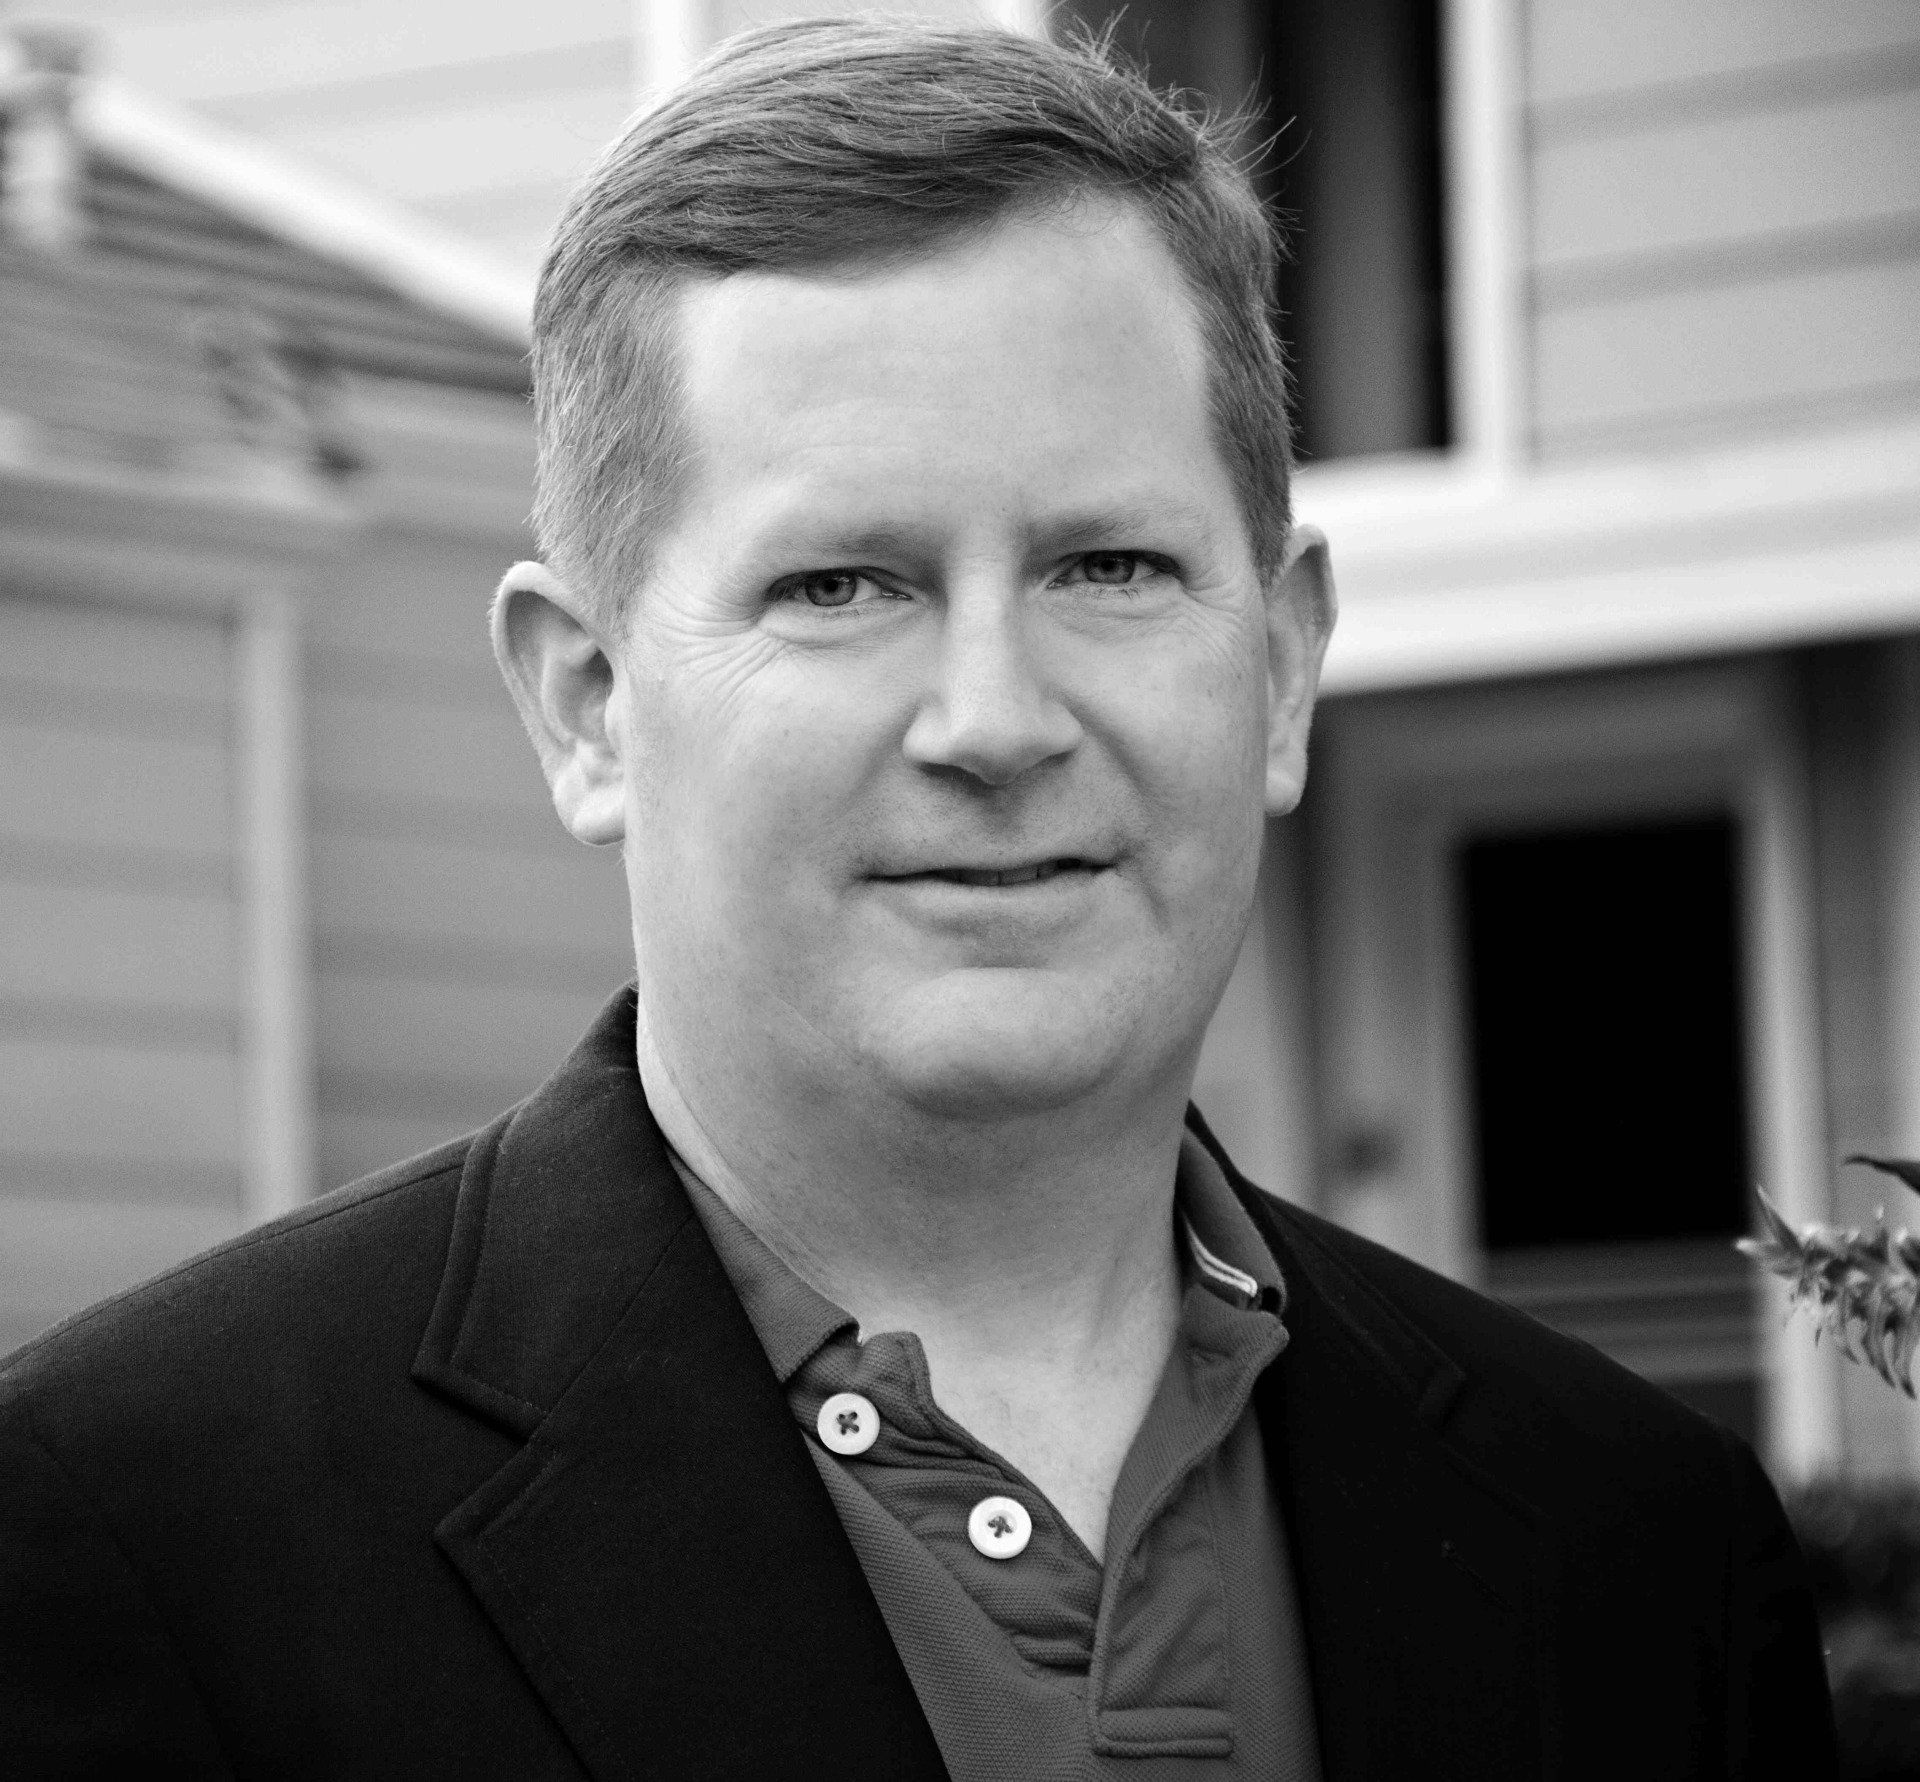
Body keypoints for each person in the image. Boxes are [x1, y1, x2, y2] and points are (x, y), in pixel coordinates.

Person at [0, 19, 1833, 1779]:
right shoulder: (126, 1533)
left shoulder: (1641, 1553)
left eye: (1109, 565)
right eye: (842, 587)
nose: (996, 722)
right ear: (587, 705)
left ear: (1279, 667)